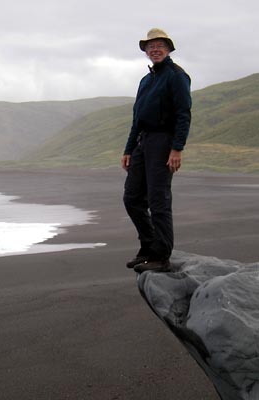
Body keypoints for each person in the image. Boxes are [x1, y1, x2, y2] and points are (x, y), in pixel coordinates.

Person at [122, 28, 191, 273]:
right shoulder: (146, 80)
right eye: (151, 46)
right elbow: (137, 118)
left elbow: (184, 114)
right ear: (146, 51)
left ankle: (161, 256)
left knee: (158, 200)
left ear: (169, 49)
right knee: (132, 198)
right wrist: (129, 149)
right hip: (143, 142)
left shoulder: (177, 76)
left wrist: (177, 148)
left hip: (164, 142)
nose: (155, 49)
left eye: (160, 45)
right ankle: (148, 246)